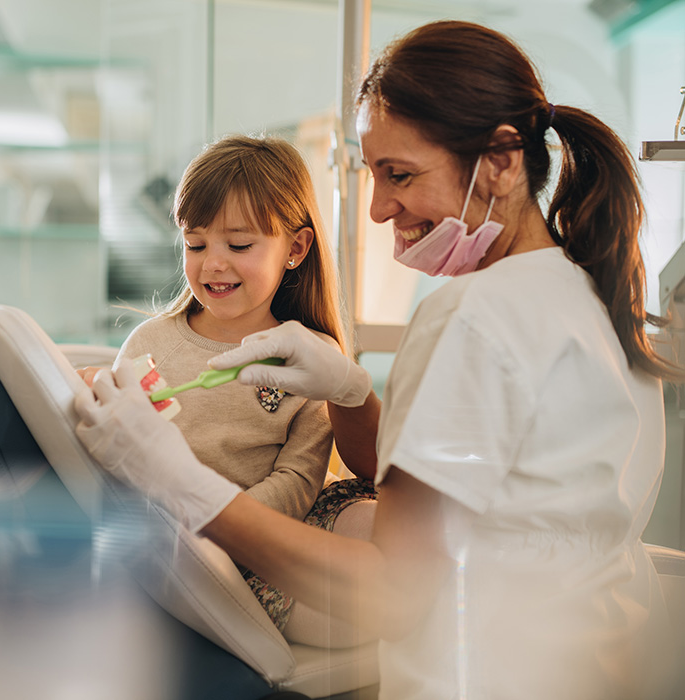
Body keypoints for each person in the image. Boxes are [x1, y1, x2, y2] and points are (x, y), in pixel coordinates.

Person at [74, 20, 683, 700]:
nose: (376, 207)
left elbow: (394, 592)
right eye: (371, 173)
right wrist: (354, 394)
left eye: (400, 174)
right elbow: (477, 495)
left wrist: (178, 483)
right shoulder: (600, 297)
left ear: (503, 161)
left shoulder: (473, 319)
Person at [80, 134, 380, 645]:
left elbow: (301, 476)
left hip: (277, 533)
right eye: (195, 244)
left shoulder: (314, 353)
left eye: (238, 245)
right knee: (345, 626)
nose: (212, 263)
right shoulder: (151, 344)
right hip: (188, 549)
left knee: (382, 537)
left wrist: (228, 524)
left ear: (296, 248)